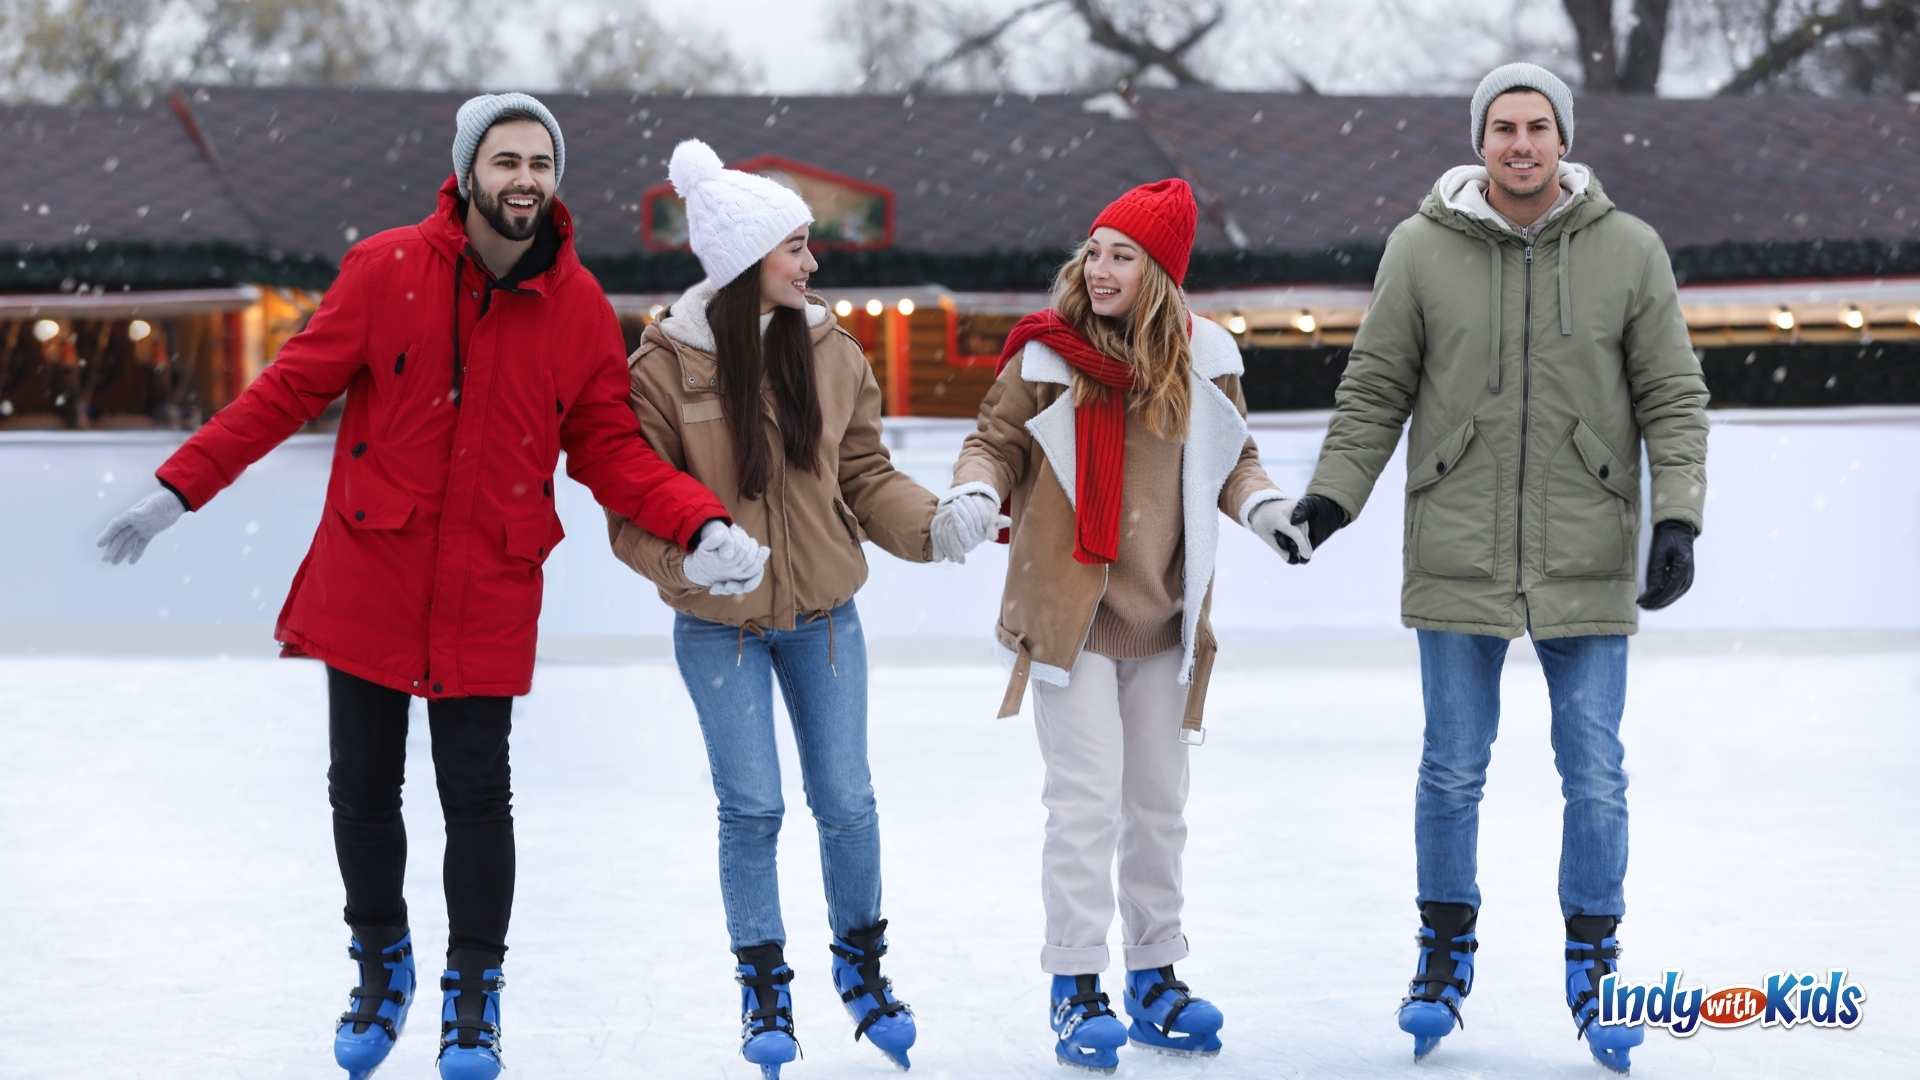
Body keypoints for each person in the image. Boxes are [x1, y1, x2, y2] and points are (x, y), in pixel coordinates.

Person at [94, 94, 767, 1080]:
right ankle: (380, 962)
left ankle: (473, 992)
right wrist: (176, 489)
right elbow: (287, 391)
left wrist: (696, 520)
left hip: (490, 578)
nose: (525, 179)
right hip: (371, 565)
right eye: (506, 161)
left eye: (541, 162)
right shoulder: (387, 271)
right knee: (361, 792)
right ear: (468, 170)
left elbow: (613, 451)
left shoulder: (577, 308)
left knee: (476, 797)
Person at [1286, 63, 1709, 1073]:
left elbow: (1673, 398)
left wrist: (1677, 520)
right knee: (1451, 768)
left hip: (1588, 549)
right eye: (1504, 129)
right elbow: (1375, 386)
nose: (1521, 145)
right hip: (1459, 545)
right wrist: (1333, 495)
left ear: (1563, 139)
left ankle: (1597, 962)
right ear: (1481, 142)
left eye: (1538, 127)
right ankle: (1444, 953)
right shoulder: (1421, 250)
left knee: (1595, 774)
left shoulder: (1628, 252)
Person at [933, 177, 1311, 1072]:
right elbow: (994, 441)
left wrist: (1268, 515)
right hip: (1072, 618)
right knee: (1084, 804)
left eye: (1123, 256)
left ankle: (1155, 976)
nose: (1099, 270)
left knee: (1157, 806)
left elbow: (1236, 460)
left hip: (1165, 615)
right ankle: (1075, 984)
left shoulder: (1206, 360)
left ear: (1162, 275)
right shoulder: (1043, 356)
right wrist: (976, 488)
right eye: (1095, 251)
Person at [607, 139, 937, 1079]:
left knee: (847, 801)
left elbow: (866, 475)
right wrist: (692, 567)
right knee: (751, 807)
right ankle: (764, 988)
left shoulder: (829, 350)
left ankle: (864, 968)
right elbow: (632, 514)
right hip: (721, 629)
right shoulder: (664, 370)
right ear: (750, 259)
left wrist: (932, 527)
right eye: (796, 246)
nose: (813, 262)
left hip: (828, 617)